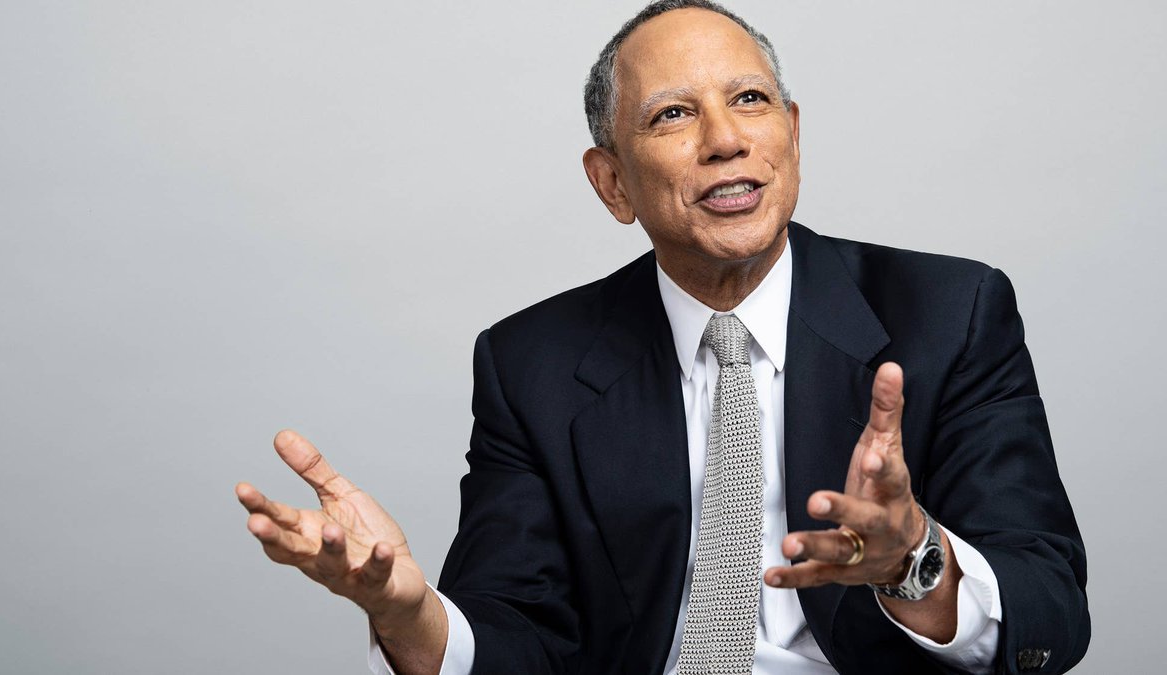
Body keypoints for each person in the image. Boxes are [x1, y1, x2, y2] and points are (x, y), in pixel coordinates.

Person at [235, 1, 1089, 673]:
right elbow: (516, 637)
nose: (726, 140)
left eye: (749, 100)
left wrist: (916, 561)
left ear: (793, 135)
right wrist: (406, 613)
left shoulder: (950, 311)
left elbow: (1051, 610)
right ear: (612, 183)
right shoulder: (531, 364)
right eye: (674, 114)